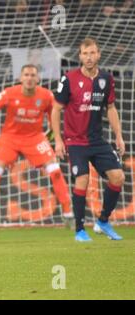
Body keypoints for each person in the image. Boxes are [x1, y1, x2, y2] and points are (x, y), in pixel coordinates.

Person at [0, 64, 73, 230]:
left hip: (35, 138)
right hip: (9, 138)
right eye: (26, 75)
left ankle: (68, 216)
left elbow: (53, 113)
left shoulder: (46, 95)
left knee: (55, 172)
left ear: (38, 78)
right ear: (21, 78)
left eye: (32, 75)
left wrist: (51, 129)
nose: (29, 78)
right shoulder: (9, 93)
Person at [52, 38, 125, 242]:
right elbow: (56, 109)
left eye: (92, 53)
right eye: (85, 54)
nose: (89, 57)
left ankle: (102, 221)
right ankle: (79, 230)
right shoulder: (68, 79)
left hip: (97, 140)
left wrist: (118, 136)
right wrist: (58, 140)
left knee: (118, 177)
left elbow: (110, 108)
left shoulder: (106, 79)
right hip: (75, 141)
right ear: (80, 56)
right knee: (82, 179)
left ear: (99, 54)